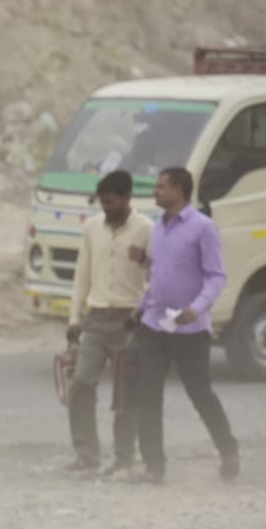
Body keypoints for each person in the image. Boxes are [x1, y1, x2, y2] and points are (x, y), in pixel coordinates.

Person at [133, 167, 240, 484]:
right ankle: (154, 466)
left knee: (200, 393)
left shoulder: (202, 228)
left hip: (190, 330)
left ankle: (228, 449)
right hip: (154, 324)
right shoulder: (158, 227)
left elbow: (217, 275)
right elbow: (157, 276)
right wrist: (140, 309)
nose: (156, 192)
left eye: (162, 187)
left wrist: (197, 308)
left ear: (179, 190)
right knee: (147, 393)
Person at [63, 170, 152, 473]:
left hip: (131, 320)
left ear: (128, 198)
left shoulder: (147, 230)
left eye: (112, 203)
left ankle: (124, 459)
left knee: (125, 394)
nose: (107, 209)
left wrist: (143, 314)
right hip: (97, 319)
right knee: (80, 383)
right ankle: (87, 455)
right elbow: (82, 275)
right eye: (103, 204)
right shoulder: (91, 228)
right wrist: (74, 318)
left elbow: (155, 280)